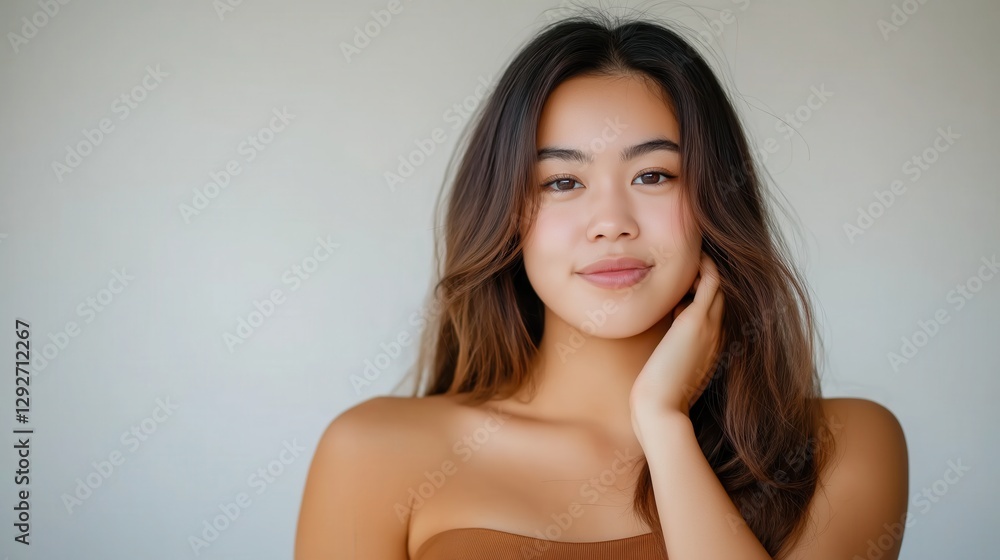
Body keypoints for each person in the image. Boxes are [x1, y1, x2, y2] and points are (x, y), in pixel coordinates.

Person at [295, 8, 909, 560]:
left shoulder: (844, 445)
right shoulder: (373, 450)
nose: (612, 222)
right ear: (506, 216)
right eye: (562, 182)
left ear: (715, 201)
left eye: (653, 175)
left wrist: (664, 425)